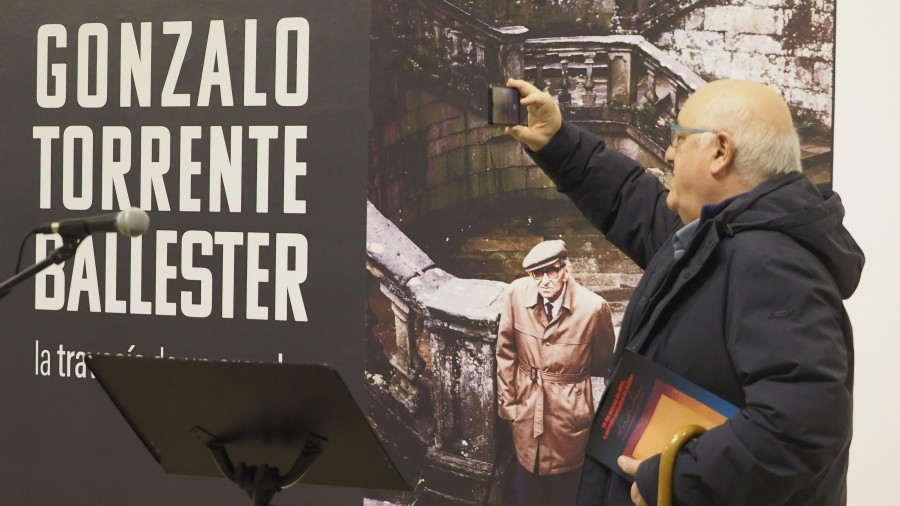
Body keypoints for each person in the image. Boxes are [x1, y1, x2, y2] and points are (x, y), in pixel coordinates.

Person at [502, 77, 864, 506]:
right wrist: (557, 142)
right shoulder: (727, 239)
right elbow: (630, 202)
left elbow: (803, 426)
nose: (669, 152)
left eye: (678, 138)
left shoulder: (771, 264)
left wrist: (676, 476)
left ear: (720, 152)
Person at [496, 239, 617, 506]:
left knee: (567, 491)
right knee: (528, 489)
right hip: (526, 411)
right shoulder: (516, 295)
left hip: (569, 416)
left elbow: (603, 360)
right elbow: (506, 353)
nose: (545, 281)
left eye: (552, 271)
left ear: (565, 269)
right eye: (537, 273)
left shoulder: (594, 308)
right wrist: (510, 407)